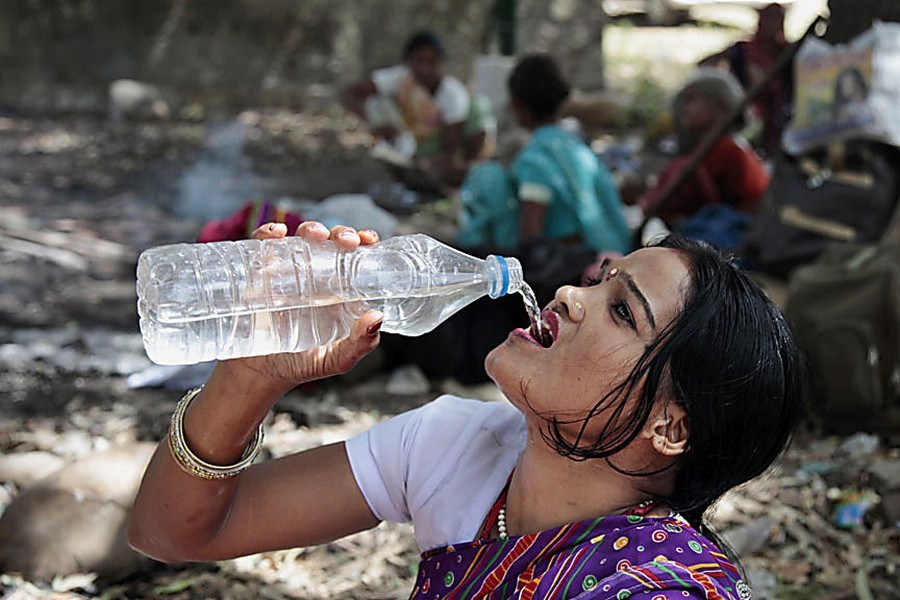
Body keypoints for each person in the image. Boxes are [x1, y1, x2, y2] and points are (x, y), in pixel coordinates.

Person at [129, 220, 804, 599]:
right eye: (599, 281)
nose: (569, 295)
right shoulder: (458, 444)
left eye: (623, 311)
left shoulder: (656, 589)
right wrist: (249, 376)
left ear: (670, 426)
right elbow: (172, 533)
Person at [457, 54, 631, 256]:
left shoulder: (535, 160)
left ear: (516, 105)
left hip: (589, 263)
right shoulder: (576, 148)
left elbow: (531, 237)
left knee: (487, 176)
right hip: (621, 252)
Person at [340, 31, 493, 191]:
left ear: (441, 63)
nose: (424, 69)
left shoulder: (453, 94)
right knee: (376, 101)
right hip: (403, 140)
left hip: (434, 150)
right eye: (419, 61)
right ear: (408, 62)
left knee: (478, 107)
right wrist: (372, 125)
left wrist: (426, 163)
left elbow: (450, 149)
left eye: (432, 62)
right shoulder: (399, 79)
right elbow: (349, 93)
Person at [639, 69, 770, 228]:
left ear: (720, 107)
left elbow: (675, 200)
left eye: (692, 100)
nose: (685, 108)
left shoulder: (726, 149)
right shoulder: (713, 147)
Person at [700, 2, 793, 158]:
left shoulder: (788, 52)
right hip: (749, 110)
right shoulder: (742, 50)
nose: (773, 25)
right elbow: (706, 64)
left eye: (777, 20)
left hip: (781, 113)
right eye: (769, 19)